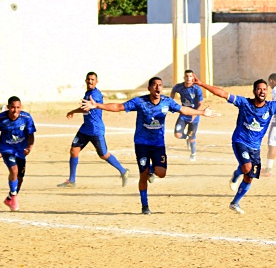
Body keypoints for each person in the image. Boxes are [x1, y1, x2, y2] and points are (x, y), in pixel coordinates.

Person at [80, 77, 217, 214]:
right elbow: (119, 107)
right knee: (143, 175)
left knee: (161, 173)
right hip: (142, 143)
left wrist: (202, 112)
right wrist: (97, 105)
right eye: (155, 85)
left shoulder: (167, 102)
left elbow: (183, 110)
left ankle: (151, 169)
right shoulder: (140, 102)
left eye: (160, 85)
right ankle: (145, 206)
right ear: (149, 88)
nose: (158, 88)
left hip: (158, 144)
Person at [194, 77, 276, 214]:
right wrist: (201, 84)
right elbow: (222, 93)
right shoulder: (244, 103)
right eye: (259, 89)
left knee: (249, 177)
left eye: (265, 89)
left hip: (255, 147)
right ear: (254, 91)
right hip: (240, 140)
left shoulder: (271, 106)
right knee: (247, 167)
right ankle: (237, 174)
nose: (262, 91)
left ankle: (235, 202)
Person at [60, 71, 129, 188]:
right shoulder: (87, 93)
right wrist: (73, 111)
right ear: (86, 81)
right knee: (74, 150)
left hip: (96, 130)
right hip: (85, 129)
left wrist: (87, 105)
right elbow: (85, 108)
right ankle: (72, 180)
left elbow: (90, 106)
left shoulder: (95, 95)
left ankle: (123, 171)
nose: (90, 81)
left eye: (93, 79)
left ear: (96, 82)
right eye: (89, 79)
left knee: (103, 154)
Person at [0, 96, 37, 211]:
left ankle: (10, 198)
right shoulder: (1, 118)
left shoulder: (26, 117)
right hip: (6, 148)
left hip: (20, 150)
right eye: (12, 107)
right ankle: (14, 197)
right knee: (14, 170)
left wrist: (29, 148)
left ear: (21, 107)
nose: (15, 110)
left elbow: (31, 135)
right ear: (8, 107)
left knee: (20, 177)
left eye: (18, 107)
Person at [171, 69, 205, 161]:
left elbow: (201, 104)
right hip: (183, 114)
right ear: (184, 77)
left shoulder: (196, 88)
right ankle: (186, 137)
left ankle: (193, 153)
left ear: (193, 78)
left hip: (194, 116)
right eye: (187, 76)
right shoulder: (179, 87)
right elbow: (173, 91)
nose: (188, 78)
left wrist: (195, 114)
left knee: (192, 138)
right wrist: (171, 102)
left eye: (190, 76)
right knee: (177, 134)